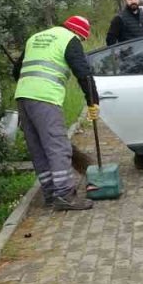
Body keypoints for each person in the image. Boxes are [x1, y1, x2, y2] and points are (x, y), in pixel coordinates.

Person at [14, 16, 99, 210]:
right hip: (45, 98)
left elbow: (16, 71)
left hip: (23, 97)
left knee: (38, 147)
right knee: (57, 146)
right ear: (78, 32)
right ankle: (64, 195)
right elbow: (83, 73)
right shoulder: (69, 39)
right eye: (82, 39)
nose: (80, 42)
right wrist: (93, 101)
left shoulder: (35, 38)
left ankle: (50, 194)